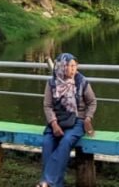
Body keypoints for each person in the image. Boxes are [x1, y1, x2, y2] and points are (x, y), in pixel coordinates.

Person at [37, 52, 97, 187]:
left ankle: (46, 181)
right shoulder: (52, 83)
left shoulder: (81, 81)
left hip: (77, 121)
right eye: (70, 66)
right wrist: (53, 124)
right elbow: (47, 105)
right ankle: (55, 184)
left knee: (66, 141)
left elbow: (92, 102)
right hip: (57, 121)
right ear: (62, 67)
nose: (73, 69)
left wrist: (88, 118)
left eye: (75, 66)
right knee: (47, 143)